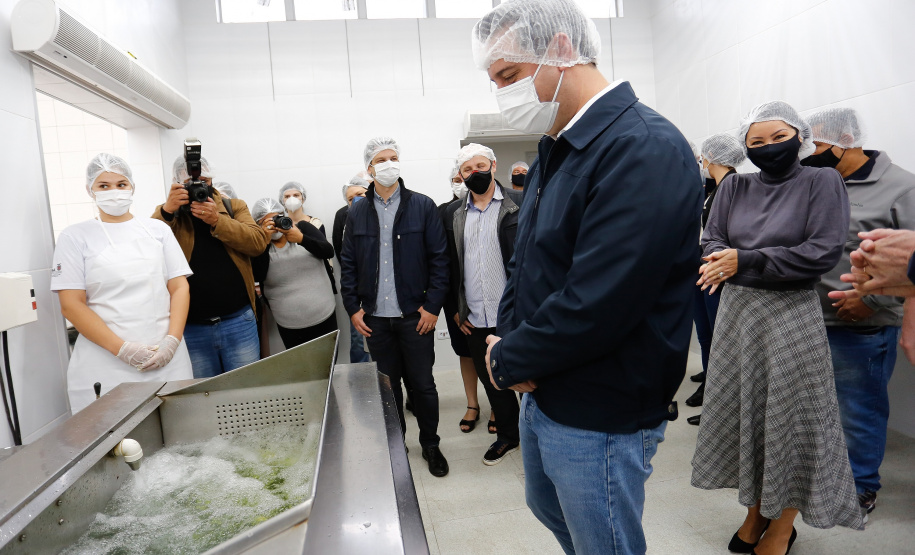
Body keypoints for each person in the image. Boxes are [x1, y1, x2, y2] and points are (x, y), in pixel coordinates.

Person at [472, 1, 701, 552]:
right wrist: (508, 339)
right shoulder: (557, 149)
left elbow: (603, 298)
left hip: (601, 400)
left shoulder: (640, 146)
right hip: (545, 383)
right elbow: (526, 263)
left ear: (561, 49)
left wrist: (509, 359)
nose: (501, 93)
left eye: (509, 74)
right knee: (548, 507)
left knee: (604, 542)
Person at [692, 101, 863, 555]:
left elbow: (822, 251)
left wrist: (744, 260)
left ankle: (783, 524)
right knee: (747, 415)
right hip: (738, 315)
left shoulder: (820, 181)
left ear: (800, 137)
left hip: (791, 315)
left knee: (793, 420)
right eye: (757, 141)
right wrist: (724, 259)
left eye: (778, 137)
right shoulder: (735, 187)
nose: (768, 147)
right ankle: (755, 512)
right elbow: (712, 239)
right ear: (744, 147)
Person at [805, 107, 915, 521]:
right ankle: (831, 478)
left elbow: (910, 265)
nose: (810, 152)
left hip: (863, 325)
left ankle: (861, 487)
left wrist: (870, 302)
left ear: (846, 140)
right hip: (813, 319)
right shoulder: (819, 183)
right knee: (824, 410)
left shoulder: (901, 188)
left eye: (817, 143)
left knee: (859, 410)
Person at [340, 136, 450, 477]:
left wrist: (432, 307)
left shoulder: (423, 205)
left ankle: (430, 444)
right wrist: (353, 308)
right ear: (369, 169)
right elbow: (348, 263)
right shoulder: (357, 211)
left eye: (393, 158)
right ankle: (396, 444)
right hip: (375, 318)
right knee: (388, 388)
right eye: (381, 159)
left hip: (415, 316)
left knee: (423, 385)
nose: (389, 164)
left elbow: (440, 260)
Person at [51, 154, 193, 414]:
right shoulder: (75, 237)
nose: (114, 192)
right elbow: (71, 305)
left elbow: (179, 287)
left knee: (179, 429)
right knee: (113, 433)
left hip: (168, 359)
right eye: (103, 185)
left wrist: (172, 340)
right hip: (106, 362)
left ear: (132, 187)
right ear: (90, 190)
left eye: (121, 184)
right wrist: (123, 349)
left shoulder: (158, 230)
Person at [153, 155, 269, 378]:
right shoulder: (170, 214)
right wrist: (167, 211)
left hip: (238, 321)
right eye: (190, 183)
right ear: (177, 183)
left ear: (212, 180)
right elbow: (148, 251)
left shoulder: (233, 206)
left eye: (203, 181)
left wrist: (218, 220)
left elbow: (257, 244)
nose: (197, 187)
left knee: (245, 387)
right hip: (192, 327)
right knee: (204, 392)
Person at [444, 143, 523, 465]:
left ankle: (541, 436)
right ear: (461, 176)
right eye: (467, 169)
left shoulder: (519, 204)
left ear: (493, 165)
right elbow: (448, 265)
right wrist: (456, 309)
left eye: (480, 166)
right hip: (475, 315)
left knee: (532, 375)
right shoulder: (453, 213)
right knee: (494, 381)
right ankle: (508, 436)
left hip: (515, 312)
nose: (474, 173)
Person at [686, 133, 746, 426]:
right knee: (707, 333)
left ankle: (719, 404)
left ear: (711, 158)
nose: (701, 162)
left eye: (703, 158)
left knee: (719, 339)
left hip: (718, 273)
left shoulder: (734, 186)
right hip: (704, 267)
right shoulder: (716, 189)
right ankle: (711, 388)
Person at [250, 198, 338, 349]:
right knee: (300, 363)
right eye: (267, 222)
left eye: (277, 218)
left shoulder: (303, 228)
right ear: (258, 225)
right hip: (289, 325)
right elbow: (258, 275)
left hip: (324, 315)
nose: (274, 225)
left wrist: (302, 239)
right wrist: (264, 241)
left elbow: (328, 251)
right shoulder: (260, 247)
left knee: (330, 359)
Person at [438, 162, 485, 433]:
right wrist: (454, 307)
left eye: (463, 176)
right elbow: (440, 263)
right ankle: (472, 404)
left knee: (493, 351)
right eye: (456, 178)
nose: (461, 182)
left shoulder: (492, 207)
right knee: (466, 352)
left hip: (490, 298)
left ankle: (498, 406)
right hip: (457, 300)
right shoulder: (443, 212)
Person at [333, 174, 371, 364]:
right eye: (351, 198)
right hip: (358, 289)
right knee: (359, 339)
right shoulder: (343, 215)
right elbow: (341, 252)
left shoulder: (385, 213)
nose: (357, 199)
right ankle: (361, 379)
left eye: (361, 194)